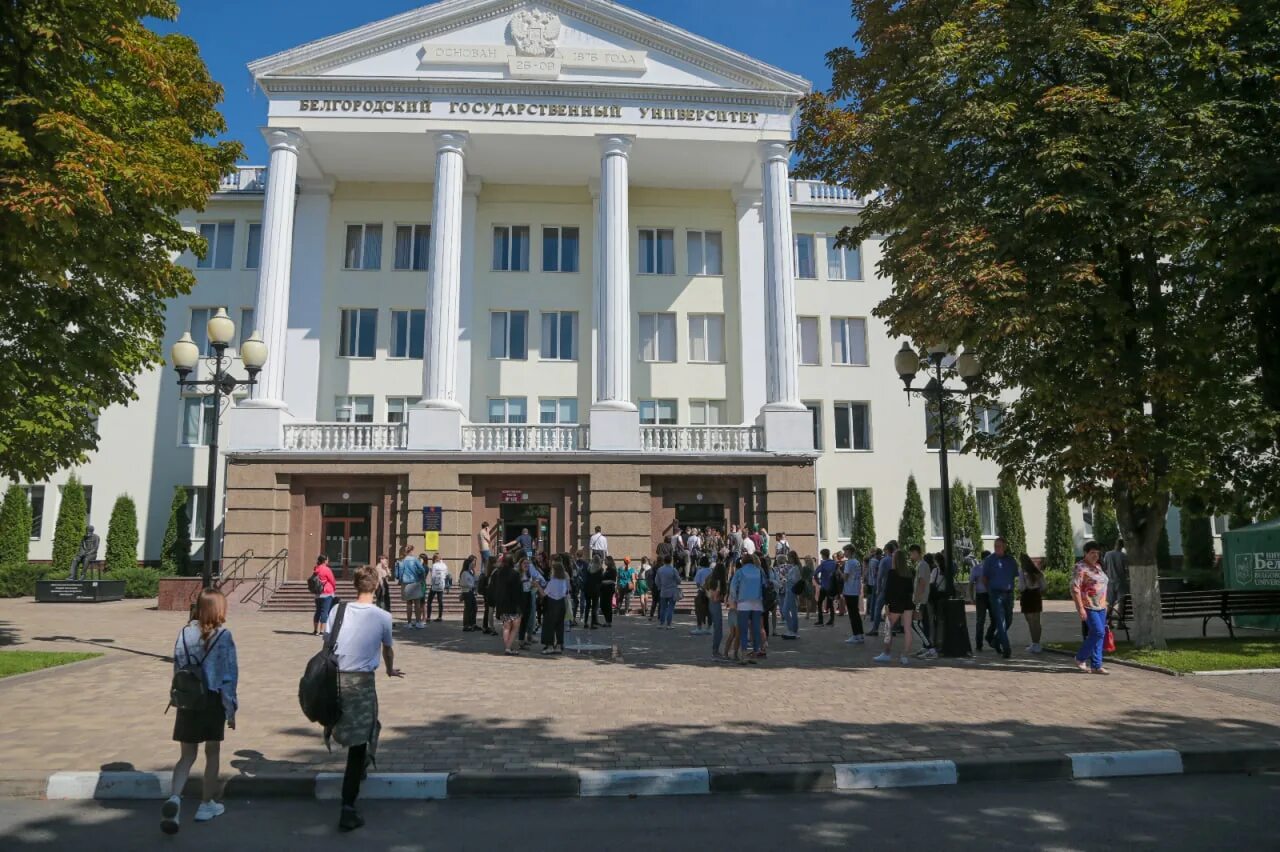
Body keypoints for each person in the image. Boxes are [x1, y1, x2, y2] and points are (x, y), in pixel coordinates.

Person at [324, 565, 402, 832]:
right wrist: (390, 668)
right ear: (377, 586)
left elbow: (327, 642)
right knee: (361, 741)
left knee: (363, 729)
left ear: (356, 585)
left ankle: (359, 766)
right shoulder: (382, 616)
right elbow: (387, 649)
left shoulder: (338, 610)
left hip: (335, 680)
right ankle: (348, 806)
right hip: (362, 683)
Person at [161, 589, 238, 834]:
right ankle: (207, 804)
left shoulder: (184, 633)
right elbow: (229, 676)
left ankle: (175, 798)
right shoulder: (223, 636)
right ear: (218, 610)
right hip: (212, 701)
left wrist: (178, 696)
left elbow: (177, 667)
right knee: (212, 753)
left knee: (186, 756)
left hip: (188, 700)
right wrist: (231, 708)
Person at [1072, 541, 1110, 674]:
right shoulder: (1080, 567)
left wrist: (1107, 602)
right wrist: (1080, 608)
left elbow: (1103, 585)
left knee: (1099, 634)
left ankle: (1096, 665)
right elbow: (1075, 588)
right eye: (1092, 553)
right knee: (1098, 632)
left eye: (1097, 553)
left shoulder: (1098, 567)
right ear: (1085, 553)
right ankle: (1080, 657)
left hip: (1101, 606)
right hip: (1088, 605)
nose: (1095, 555)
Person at [873, 550, 916, 665]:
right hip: (907, 602)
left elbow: (888, 590)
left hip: (895, 603)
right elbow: (911, 590)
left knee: (888, 628)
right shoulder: (909, 572)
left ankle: (886, 653)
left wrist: (887, 605)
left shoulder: (892, 573)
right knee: (907, 630)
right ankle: (904, 655)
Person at [980, 538, 1018, 658]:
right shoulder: (989, 560)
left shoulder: (1011, 560)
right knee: (1001, 622)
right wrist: (990, 591)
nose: (997, 548)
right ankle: (1006, 649)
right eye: (995, 546)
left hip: (1008, 593)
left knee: (1009, 620)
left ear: (1004, 547)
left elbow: (1014, 576)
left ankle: (996, 640)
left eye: (999, 546)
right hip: (996, 594)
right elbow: (984, 578)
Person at [729, 554, 764, 663]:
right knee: (756, 629)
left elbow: (733, 587)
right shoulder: (759, 571)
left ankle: (743, 655)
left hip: (743, 602)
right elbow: (764, 584)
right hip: (757, 602)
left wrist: (734, 600)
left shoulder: (740, 572)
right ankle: (755, 653)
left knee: (743, 630)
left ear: (743, 562)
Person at [907, 545, 938, 659]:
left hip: (920, 600)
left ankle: (930, 648)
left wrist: (917, 599)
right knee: (923, 623)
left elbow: (922, 582)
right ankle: (926, 646)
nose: (911, 556)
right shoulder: (922, 565)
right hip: (922, 599)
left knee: (914, 623)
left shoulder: (922, 565)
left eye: (911, 553)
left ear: (916, 552)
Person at [540, 556, 570, 654]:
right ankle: (559, 645)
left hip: (552, 604)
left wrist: (537, 586)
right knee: (559, 625)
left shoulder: (553, 581)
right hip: (561, 603)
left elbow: (544, 593)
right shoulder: (563, 581)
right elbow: (565, 592)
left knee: (549, 625)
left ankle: (550, 646)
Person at [1019, 554, 1045, 653]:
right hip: (1036, 595)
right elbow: (1044, 586)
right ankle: (1037, 644)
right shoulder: (1037, 572)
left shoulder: (1022, 571)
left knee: (1030, 622)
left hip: (1027, 596)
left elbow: (1021, 587)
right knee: (1037, 622)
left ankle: (1034, 643)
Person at [395, 546, 426, 628]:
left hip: (405, 583)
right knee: (417, 603)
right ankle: (418, 622)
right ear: (411, 551)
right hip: (415, 582)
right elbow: (422, 570)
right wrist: (421, 578)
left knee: (409, 604)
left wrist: (400, 580)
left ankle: (409, 623)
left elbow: (398, 574)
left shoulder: (402, 560)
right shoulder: (415, 560)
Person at [840, 546, 865, 644]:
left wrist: (838, 571)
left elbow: (845, 577)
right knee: (856, 613)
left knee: (852, 614)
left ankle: (855, 635)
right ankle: (860, 635)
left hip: (849, 590)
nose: (844, 553)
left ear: (849, 551)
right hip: (855, 590)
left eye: (845, 551)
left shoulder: (849, 563)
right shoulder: (857, 562)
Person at [705, 561, 728, 660]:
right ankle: (715, 650)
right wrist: (723, 598)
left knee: (717, 627)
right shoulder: (718, 582)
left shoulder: (710, 579)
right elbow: (715, 598)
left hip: (710, 603)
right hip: (715, 604)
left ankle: (715, 650)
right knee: (718, 629)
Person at [1103, 538, 1129, 620]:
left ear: (1115, 544)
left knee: (1110, 602)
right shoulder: (1123, 556)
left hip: (1110, 582)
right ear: (1122, 546)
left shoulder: (1107, 554)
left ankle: (1109, 622)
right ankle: (1120, 623)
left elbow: (1104, 568)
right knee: (1121, 602)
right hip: (1121, 582)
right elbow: (1127, 569)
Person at [311, 555, 337, 637]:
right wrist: (334, 588)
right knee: (324, 612)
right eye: (327, 560)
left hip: (318, 593)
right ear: (325, 560)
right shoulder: (326, 569)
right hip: (327, 593)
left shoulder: (316, 568)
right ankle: (321, 631)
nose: (328, 561)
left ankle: (315, 630)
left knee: (318, 611)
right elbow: (332, 580)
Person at [655, 554, 681, 628]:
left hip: (663, 590)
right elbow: (679, 580)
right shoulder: (673, 569)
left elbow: (656, 581)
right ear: (671, 561)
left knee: (663, 608)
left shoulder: (660, 569)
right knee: (670, 608)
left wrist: (660, 587)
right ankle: (669, 624)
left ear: (664, 561)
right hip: (672, 591)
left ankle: (661, 623)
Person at [779, 554, 801, 639]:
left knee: (788, 610)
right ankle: (792, 630)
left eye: (790, 557)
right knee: (789, 610)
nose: (788, 559)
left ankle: (792, 630)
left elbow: (795, 580)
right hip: (789, 590)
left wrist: (787, 579)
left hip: (791, 591)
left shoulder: (796, 568)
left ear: (793, 558)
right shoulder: (793, 567)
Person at [813, 549, 837, 626]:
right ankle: (832, 620)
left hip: (824, 586)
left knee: (820, 603)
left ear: (823, 555)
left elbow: (815, 574)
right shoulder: (834, 563)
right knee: (831, 604)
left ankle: (821, 620)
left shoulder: (823, 564)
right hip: (832, 587)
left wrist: (818, 582)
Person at [691, 556, 712, 635]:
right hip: (710, 593)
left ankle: (699, 627)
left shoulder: (700, 571)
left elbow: (697, 583)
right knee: (710, 610)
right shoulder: (711, 571)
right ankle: (709, 627)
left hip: (702, 592)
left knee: (699, 610)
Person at [458, 556, 478, 632]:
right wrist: (472, 585)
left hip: (471, 592)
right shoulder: (464, 573)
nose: (472, 565)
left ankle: (472, 624)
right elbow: (463, 583)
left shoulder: (470, 572)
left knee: (474, 607)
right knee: (468, 608)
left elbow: (473, 580)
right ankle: (466, 625)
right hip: (467, 592)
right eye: (471, 563)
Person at [427, 554, 448, 623]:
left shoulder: (434, 565)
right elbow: (446, 574)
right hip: (441, 585)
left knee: (429, 601)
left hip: (434, 585)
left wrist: (432, 584)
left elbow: (433, 576)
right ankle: (440, 616)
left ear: (434, 559)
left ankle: (428, 617)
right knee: (440, 601)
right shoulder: (444, 565)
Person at [599, 556, 617, 627]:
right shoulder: (607, 569)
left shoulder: (612, 569)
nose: (604, 562)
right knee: (603, 605)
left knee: (607, 605)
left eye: (605, 560)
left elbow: (613, 581)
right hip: (603, 590)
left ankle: (609, 621)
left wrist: (603, 582)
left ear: (609, 561)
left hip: (609, 589)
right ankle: (607, 620)